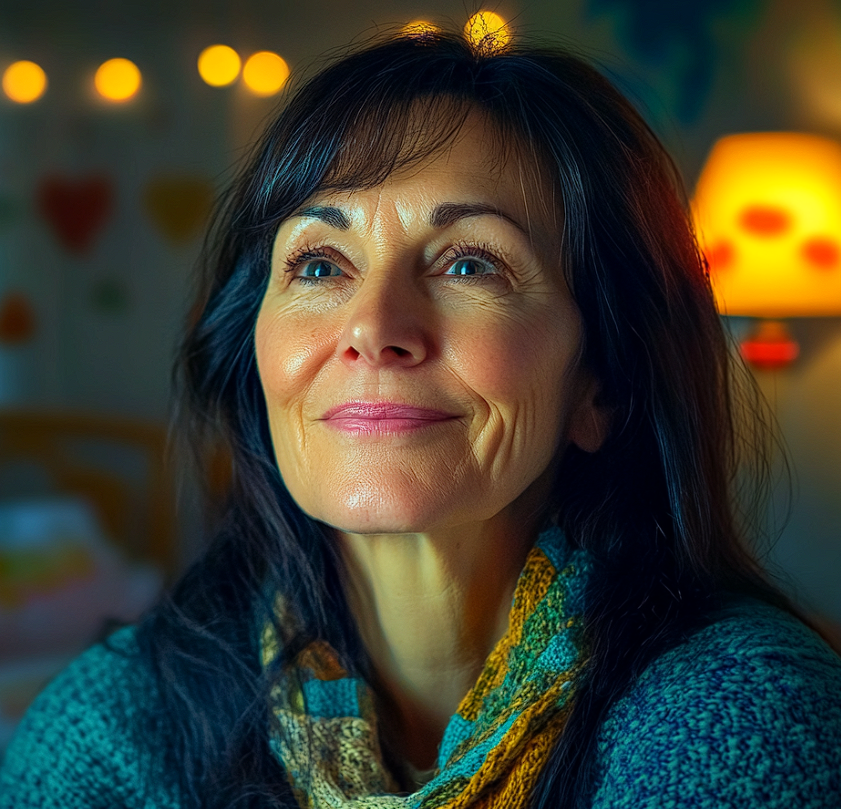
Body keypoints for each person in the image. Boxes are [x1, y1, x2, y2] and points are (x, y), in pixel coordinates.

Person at [2, 29, 840, 809]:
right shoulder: (111, 731)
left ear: (601, 385)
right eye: (320, 264)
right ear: (257, 360)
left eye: (468, 261)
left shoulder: (743, 715)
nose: (371, 327)